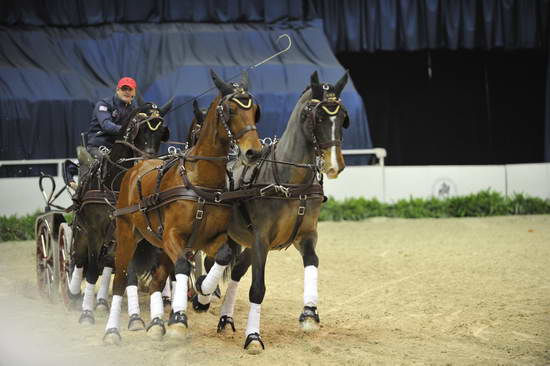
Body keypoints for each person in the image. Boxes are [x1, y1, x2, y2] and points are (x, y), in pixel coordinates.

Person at [86, 76, 138, 158]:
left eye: (130, 89)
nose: (127, 92)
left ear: (134, 92)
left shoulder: (134, 109)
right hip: (99, 146)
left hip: (120, 148)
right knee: (108, 163)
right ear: (117, 90)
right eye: (124, 89)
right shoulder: (104, 104)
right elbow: (107, 126)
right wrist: (129, 130)